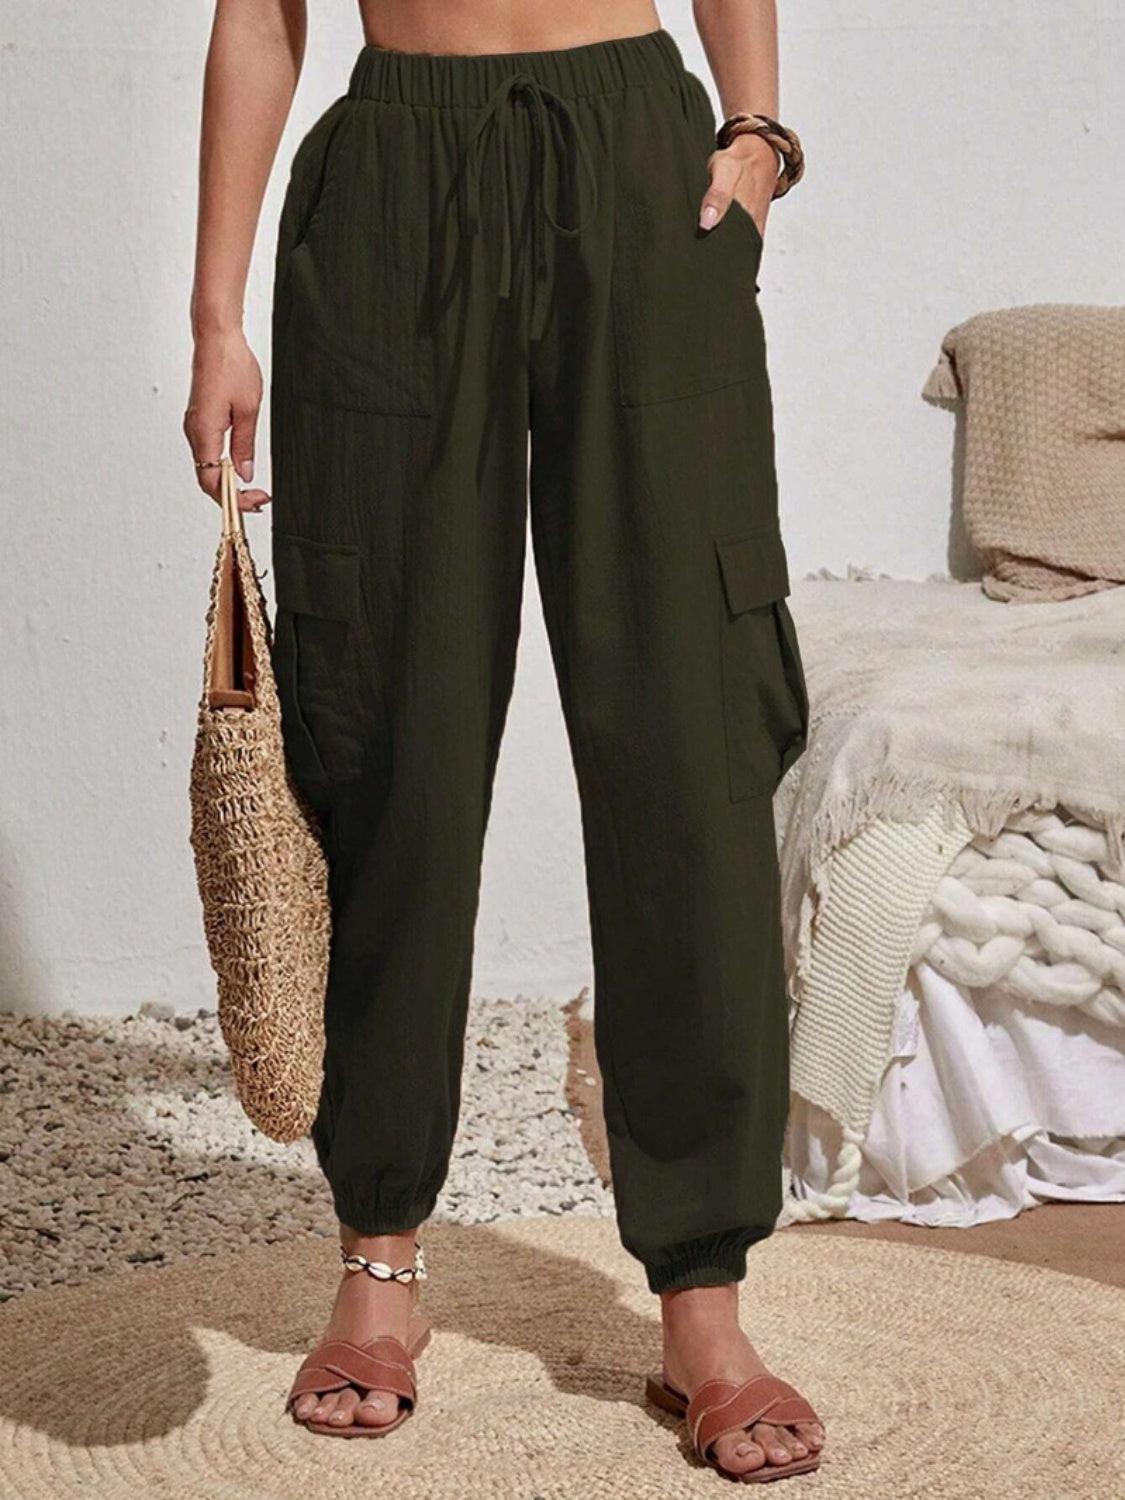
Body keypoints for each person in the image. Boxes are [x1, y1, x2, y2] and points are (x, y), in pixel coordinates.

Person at [184, 0, 822, 1480]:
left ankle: (702, 1297)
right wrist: (217, 316)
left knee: (688, 730)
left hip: (634, 158)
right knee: (388, 726)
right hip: (396, 171)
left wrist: (755, 127)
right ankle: (380, 1258)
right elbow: (256, 15)